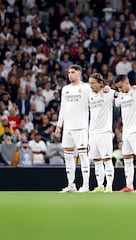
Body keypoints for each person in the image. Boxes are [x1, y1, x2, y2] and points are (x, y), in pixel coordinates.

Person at [55, 64, 92, 193]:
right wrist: (59, 125)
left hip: (81, 127)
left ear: (79, 73)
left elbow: (95, 99)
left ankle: (86, 185)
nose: (70, 74)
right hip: (68, 128)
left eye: (73, 72)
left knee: (82, 156)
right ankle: (71, 184)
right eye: (69, 72)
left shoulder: (86, 87)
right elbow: (63, 108)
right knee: (68, 156)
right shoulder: (65, 89)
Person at [114, 74, 136, 192]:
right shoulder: (121, 95)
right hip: (126, 132)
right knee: (127, 158)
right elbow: (115, 100)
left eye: (120, 86)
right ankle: (129, 186)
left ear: (127, 83)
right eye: (117, 87)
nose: (119, 89)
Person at [88, 73, 116, 193]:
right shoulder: (89, 95)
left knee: (107, 159)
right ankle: (100, 185)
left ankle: (109, 186)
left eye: (93, 83)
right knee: (97, 160)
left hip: (105, 132)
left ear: (100, 83)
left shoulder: (108, 93)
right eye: (90, 83)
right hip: (93, 132)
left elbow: (120, 95)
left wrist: (110, 88)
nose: (91, 85)